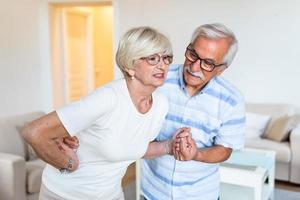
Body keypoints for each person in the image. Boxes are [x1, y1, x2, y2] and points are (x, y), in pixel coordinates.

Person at [21, 26, 175, 200]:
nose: (163, 65)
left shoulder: (161, 103)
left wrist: (169, 146)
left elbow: (134, 146)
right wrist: (68, 164)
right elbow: (33, 132)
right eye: (153, 58)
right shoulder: (108, 98)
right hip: (65, 195)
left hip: (111, 195)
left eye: (166, 58)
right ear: (130, 66)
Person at [141, 23, 246, 200]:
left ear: (221, 69)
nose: (194, 67)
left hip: (200, 195)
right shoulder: (159, 80)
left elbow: (225, 149)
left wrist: (196, 154)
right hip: (153, 191)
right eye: (193, 55)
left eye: (208, 63)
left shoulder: (232, 100)